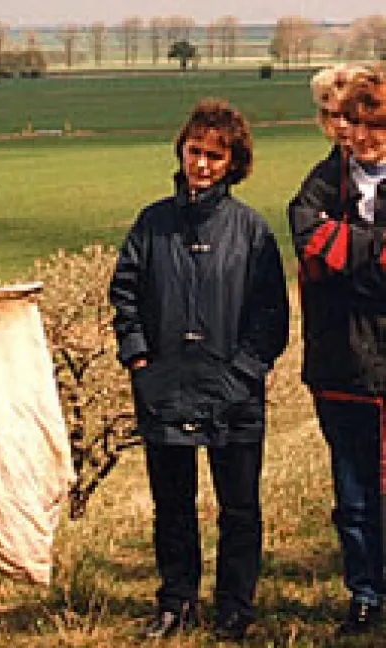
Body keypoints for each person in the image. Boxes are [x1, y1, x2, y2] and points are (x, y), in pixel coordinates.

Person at [109, 99, 289, 642]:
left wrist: (243, 374)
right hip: (164, 387)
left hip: (234, 391)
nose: (202, 164)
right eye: (195, 152)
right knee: (172, 506)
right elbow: (125, 295)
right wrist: (140, 361)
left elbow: (271, 314)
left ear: (233, 162)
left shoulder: (251, 231)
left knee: (239, 507)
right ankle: (176, 603)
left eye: (215, 155)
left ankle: (235, 606)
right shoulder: (153, 223)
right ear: (181, 152)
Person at [288, 65, 386, 636]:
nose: (365, 137)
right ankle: (365, 595)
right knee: (351, 495)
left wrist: (347, 255)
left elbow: (331, 258)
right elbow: (309, 241)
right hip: (338, 363)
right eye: (355, 123)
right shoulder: (321, 184)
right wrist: (373, 257)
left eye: (377, 126)